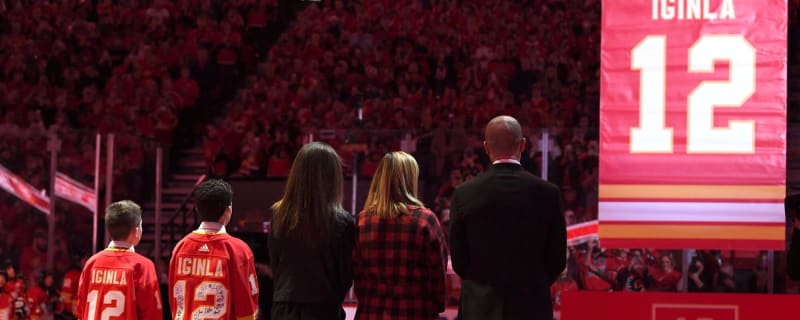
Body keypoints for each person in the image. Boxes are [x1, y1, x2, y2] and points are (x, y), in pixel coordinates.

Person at [449, 115, 566, 320]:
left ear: (486, 147)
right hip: (531, 306)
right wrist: (533, 284)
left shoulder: (464, 193)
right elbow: (557, 259)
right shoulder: (548, 193)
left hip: (479, 308)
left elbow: (459, 260)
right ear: (522, 145)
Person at [353, 151, 448, 320]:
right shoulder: (425, 220)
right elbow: (437, 275)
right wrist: (437, 305)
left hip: (372, 310)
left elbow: (357, 273)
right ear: (411, 179)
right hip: (415, 310)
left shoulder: (363, 219)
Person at [269, 142, 355, 320]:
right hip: (324, 308)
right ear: (332, 178)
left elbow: (275, 264)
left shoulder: (279, 214)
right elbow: (345, 276)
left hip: (284, 307)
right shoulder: (343, 222)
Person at [168, 179, 259, 320]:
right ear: (228, 210)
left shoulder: (180, 247)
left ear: (197, 210)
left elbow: (174, 303)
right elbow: (247, 309)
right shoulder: (239, 250)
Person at [75, 200, 163, 320]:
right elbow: (152, 314)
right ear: (136, 231)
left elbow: (80, 310)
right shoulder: (143, 266)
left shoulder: (92, 263)